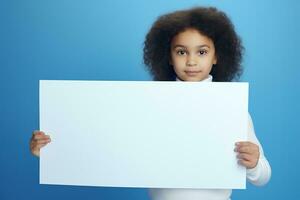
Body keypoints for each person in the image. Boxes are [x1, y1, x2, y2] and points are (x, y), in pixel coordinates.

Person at [30, 6, 271, 200]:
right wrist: (52, 153)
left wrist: (253, 164)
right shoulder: (147, 107)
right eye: (181, 52)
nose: (191, 61)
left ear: (217, 56)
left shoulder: (231, 110)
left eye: (201, 52)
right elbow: (105, 145)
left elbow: (263, 176)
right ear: (168, 56)